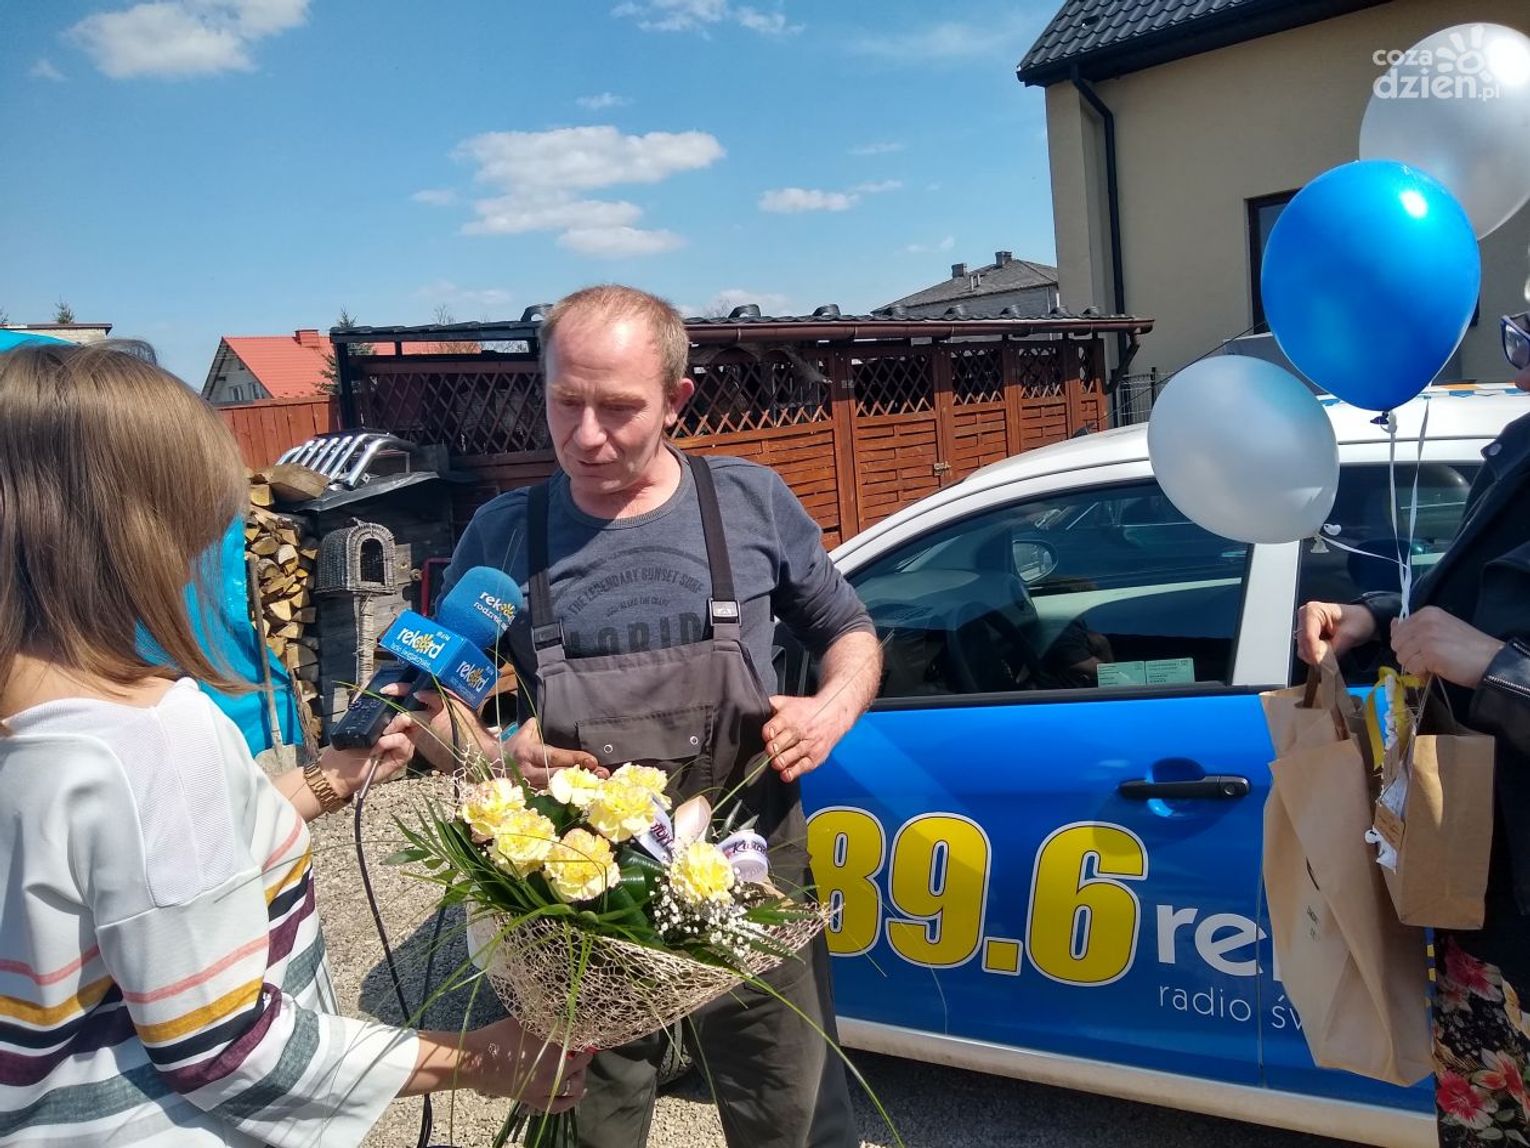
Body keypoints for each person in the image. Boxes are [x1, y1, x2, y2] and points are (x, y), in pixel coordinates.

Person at [0, 342, 587, 1146]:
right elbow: (227, 1049)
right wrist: (483, 1058)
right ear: (137, 528)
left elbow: (127, 878)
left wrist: (325, 782)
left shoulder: (47, 722)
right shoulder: (149, 737)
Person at [407, 285, 883, 1148]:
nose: (587, 436)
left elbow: (850, 632)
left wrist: (832, 706)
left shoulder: (750, 503)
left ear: (675, 400)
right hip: (571, 888)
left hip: (745, 869)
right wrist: (495, 756)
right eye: (566, 402)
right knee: (583, 1121)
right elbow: (430, 707)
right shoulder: (502, 537)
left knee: (793, 1112)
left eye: (619, 408)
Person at [1297, 312, 1530, 1147]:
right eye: (1521, 338)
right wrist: (1373, 617)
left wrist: (1497, 669)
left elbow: (1485, 648)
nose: (1522, 371)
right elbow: (1467, 600)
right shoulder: (1519, 452)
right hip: (1483, 891)